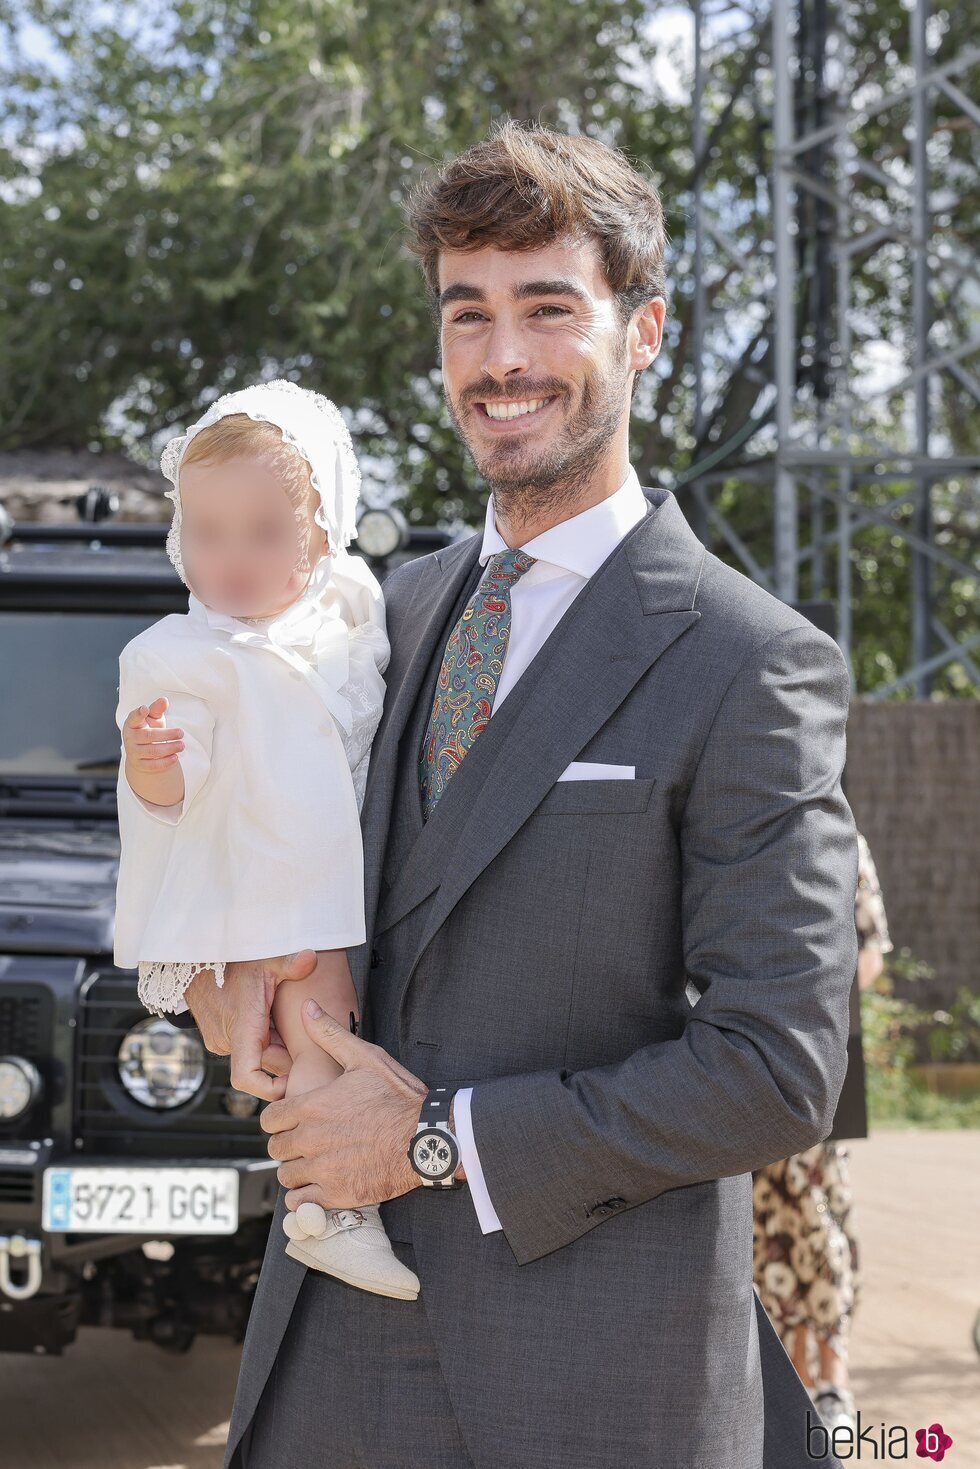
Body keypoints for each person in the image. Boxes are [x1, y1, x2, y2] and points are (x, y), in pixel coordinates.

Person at [174, 121, 858, 1468]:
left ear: (643, 329)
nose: (501, 360)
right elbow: (319, 894)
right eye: (467, 314)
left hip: (595, 1391)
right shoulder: (372, 612)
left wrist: (430, 1142)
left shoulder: (748, 659)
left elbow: (778, 1069)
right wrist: (235, 990)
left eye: (548, 309)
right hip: (328, 1366)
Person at [114, 379, 420, 1300]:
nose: (231, 558)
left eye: (264, 532)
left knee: (321, 1031)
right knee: (318, 1018)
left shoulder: (351, 613)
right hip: (267, 881)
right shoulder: (180, 653)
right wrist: (150, 759)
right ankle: (328, 1208)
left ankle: (325, 1194)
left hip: (340, 869)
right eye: (207, 533)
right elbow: (168, 796)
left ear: (324, 529)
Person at [753, 830, 893, 1435]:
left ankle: (829, 1381)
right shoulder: (755, 826)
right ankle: (798, 1385)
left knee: (810, 1212)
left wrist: (811, 1009)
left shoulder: (840, 842)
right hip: (763, 1059)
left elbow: (870, 952)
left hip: (806, 1057)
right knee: (771, 1221)